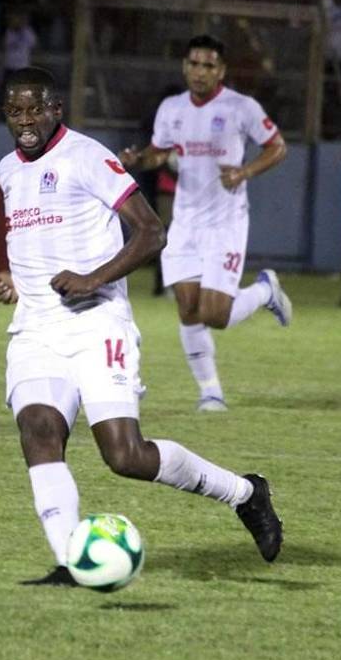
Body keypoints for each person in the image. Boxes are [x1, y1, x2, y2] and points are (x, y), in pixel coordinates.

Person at [0, 67, 283, 586]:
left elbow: (151, 232)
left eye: (35, 109)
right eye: (15, 111)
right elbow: (40, 237)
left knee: (125, 455)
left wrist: (92, 279)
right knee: (38, 432)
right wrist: (18, 279)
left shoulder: (87, 156)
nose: (26, 121)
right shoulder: (8, 169)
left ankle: (245, 493)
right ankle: (71, 564)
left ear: (56, 109)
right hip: (35, 329)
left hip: (97, 323)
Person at [117, 35, 291, 413]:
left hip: (226, 222)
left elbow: (278, 147)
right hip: (185, 222)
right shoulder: (172, 108)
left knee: (215, 315)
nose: (200, 72)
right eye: (194, 64)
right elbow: (159, 153)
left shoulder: (241, 107)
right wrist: (138, 159)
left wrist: (244, 172)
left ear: (221, 71)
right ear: (185, 67)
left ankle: (264, 290)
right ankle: (211, 393)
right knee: (187, 308)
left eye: (209, 66)